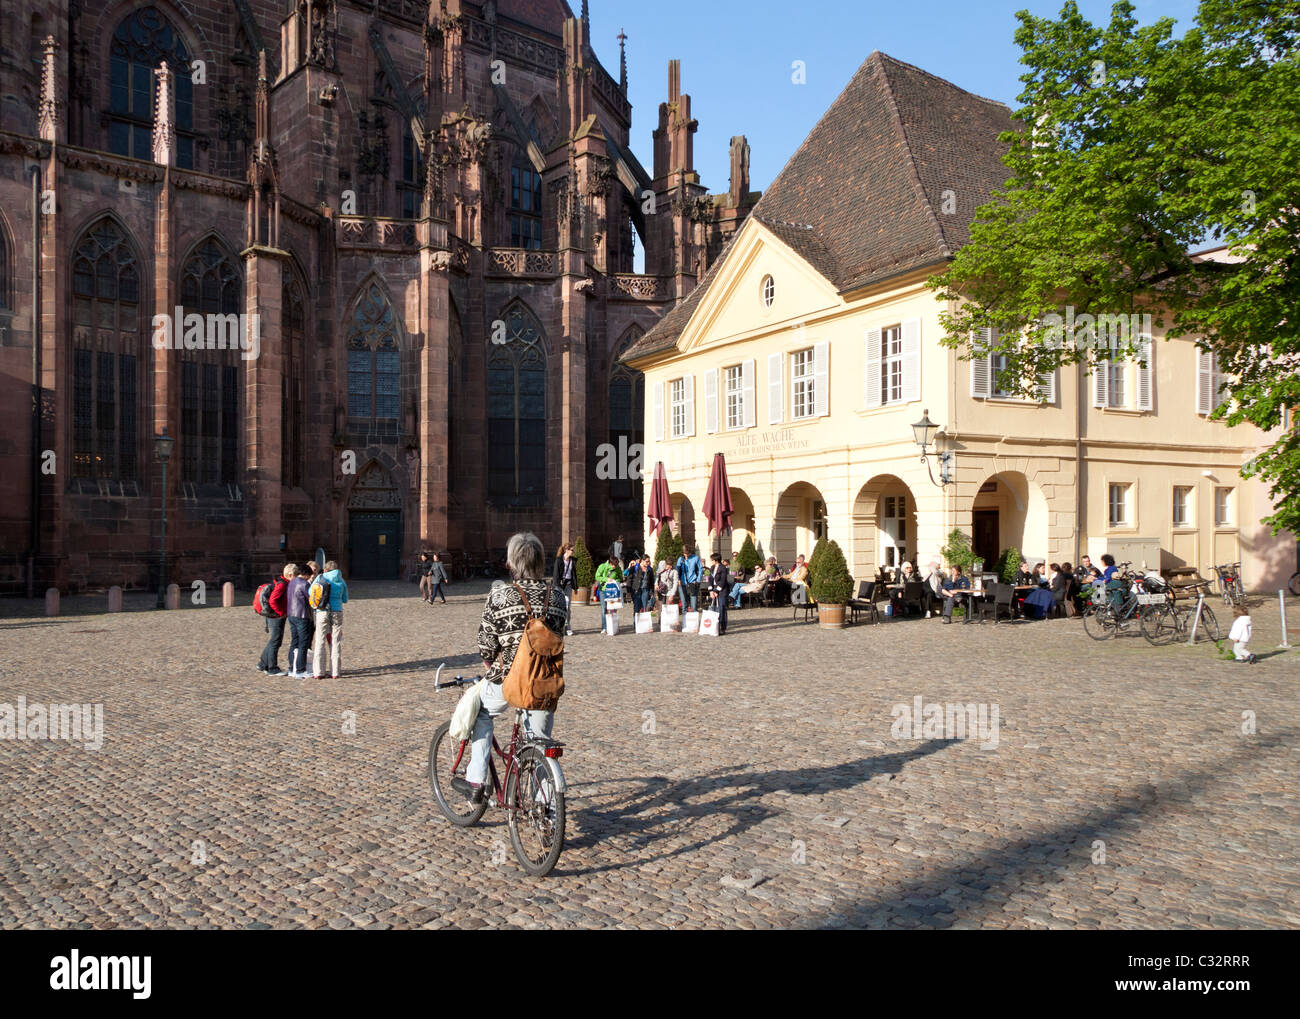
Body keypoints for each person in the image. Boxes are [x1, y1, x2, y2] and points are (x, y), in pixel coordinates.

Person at [460, 532, 568, 804]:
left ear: (511, 563)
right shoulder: (556, 596)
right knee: (541, 742)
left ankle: (475, 779)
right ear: (541, 561)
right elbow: (559, 633)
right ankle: (548, 812)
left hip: (506, 680)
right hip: (544, 682)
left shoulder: (501, 594)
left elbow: (485, 644)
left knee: (481, 714)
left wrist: (491, 660)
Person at [311, 560, 349, 680]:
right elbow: (345, 599)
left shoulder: (320, 578)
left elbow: (310, 592)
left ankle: (319, 672)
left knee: (320, 640)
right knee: (335, 641)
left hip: (322, 611)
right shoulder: (341, 580)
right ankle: (335, 672)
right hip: (337, 611)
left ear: (325, 569)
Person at [256, 564, 293, 676]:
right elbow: (273, 601)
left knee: (274, 640)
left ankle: (262, 663)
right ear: (290, 575)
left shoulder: (282, 582)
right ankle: (272, 668)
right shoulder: (282, 585)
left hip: (274, 615)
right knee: (275, 641)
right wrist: (280, 613)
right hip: (275, 616)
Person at [286, 563, 314, 677]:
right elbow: (311, 599)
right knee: (303, 643)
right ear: (306, 574)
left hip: (291, 614)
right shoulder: (305, 584)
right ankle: (300, 670)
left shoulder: (292, 581)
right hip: (302, 616)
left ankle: (292, 667)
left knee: (294, 641)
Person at [551, 543, 577, 635]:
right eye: (572, 550)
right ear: (566, 550)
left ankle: (568, 627)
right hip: (559, 586)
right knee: (559, 606)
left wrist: (575, 587)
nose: (573, 552)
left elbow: (574, 575)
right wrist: (556, 587)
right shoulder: (559, 560)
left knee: (568, 607)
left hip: (569, 585)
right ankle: (559, 626)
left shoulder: (573, 560)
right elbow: (555, 575)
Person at [708, 553, 731, 634]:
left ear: (716, 560)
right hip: (714, 588)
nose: (711, 561)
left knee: (722, 608)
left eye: (712, 560)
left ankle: (722, 627)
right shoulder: (712, 567)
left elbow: (723, 581)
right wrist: (711, 591)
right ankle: (715, 626)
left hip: (722, 590)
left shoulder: (723, 568)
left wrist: (716, 591)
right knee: (714, 608)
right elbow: (710, 578)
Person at [676, 545, 703, 611]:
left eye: (687, 554)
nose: (686, 555)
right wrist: (678, 579)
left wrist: (698, 580)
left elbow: (700, 569)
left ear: (690, 552)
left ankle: (694, 619)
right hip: (682, 583)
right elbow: (677, 571)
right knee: (684, 604)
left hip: (693, 583)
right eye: (685, 553)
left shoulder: (695, 558)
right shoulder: (681, 559)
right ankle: (685, 619)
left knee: (693, 605)